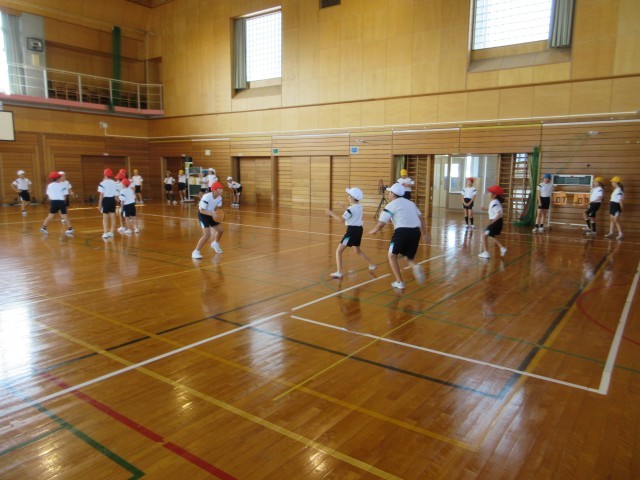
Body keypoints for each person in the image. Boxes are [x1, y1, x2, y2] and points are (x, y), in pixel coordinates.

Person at [369, 183, 427, 290]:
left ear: (393, 194)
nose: (389, 194)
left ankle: (399, 282)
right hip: (416, 232)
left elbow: (382, 223)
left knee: (391, 256)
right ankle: (416, 266)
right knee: (408, 257)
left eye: (390, 192)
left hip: (402, 232)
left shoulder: (391, 205)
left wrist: (374, 230)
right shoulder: (411, 203)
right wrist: (425, 234)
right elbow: (421, 218)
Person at [325, 187, 377, 278]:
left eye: (349, 195)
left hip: (351, 232)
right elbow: (350, 210)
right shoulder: (359, 206)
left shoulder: (351, 209)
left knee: (338, 251)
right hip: (359, 230)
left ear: (352, 197)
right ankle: (371, 264)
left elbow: (342, 220)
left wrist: (331, 213)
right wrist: (343, 206)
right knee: (357, 251)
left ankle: (339, 272)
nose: (348, 196)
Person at [192, 181, 225, 259]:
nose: (222, 190)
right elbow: (201, 210)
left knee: (220, 230)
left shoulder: (219, 198)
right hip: (203, 215)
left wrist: (218, 215)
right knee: (207, 234)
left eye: (222, 188)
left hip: (211, 214)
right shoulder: (207, 197)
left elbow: (216, 208)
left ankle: (215, 243)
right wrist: (212, 214)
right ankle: (195, 252)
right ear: (214, 190)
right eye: (220, 188)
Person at [40, 172, 74, 236]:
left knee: (50, 215)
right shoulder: (63, 185)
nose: (62, 177)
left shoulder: (50, 185)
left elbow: (48, 195)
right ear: (57, 178)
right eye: (60, 177)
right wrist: (64, 202)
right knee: (65, 215)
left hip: (54, 202)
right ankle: (70, 228)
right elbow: (65, 195)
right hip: (61, 202)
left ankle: (44, 227)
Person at [478, 185, 507, 259]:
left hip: (496, 222)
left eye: (490, 192)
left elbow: (499, 213)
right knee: (492, 235)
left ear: (495, 194)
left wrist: (492, 222)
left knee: (484, 236)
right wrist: (485, 209)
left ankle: (486, 253)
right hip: (498, 222)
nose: (488, 194)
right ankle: (502, 248)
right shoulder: (495, 202)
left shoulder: (494, 202)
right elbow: (493, 210)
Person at [98, 168, 118, 239]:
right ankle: (112, 232)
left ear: (104, 175)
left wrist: (99, 204)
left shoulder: (102, 183)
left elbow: (101, 195)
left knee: (105, 218)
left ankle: (105, 232)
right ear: (111, 175)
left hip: (105, 200)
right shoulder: (115, 183)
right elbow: (116, 193)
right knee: (113, 217)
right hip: (112, 200)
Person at [605, 176, 624, 240]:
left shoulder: (619, 190)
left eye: (612, 182)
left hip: (616, 206)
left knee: (616, 220)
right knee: (612, 220)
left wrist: (621, 208)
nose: (612, 183)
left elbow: (620, 200)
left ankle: (620, 233)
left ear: (616, 182)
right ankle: (611, 232)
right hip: (612, 205)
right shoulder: (616, 189)